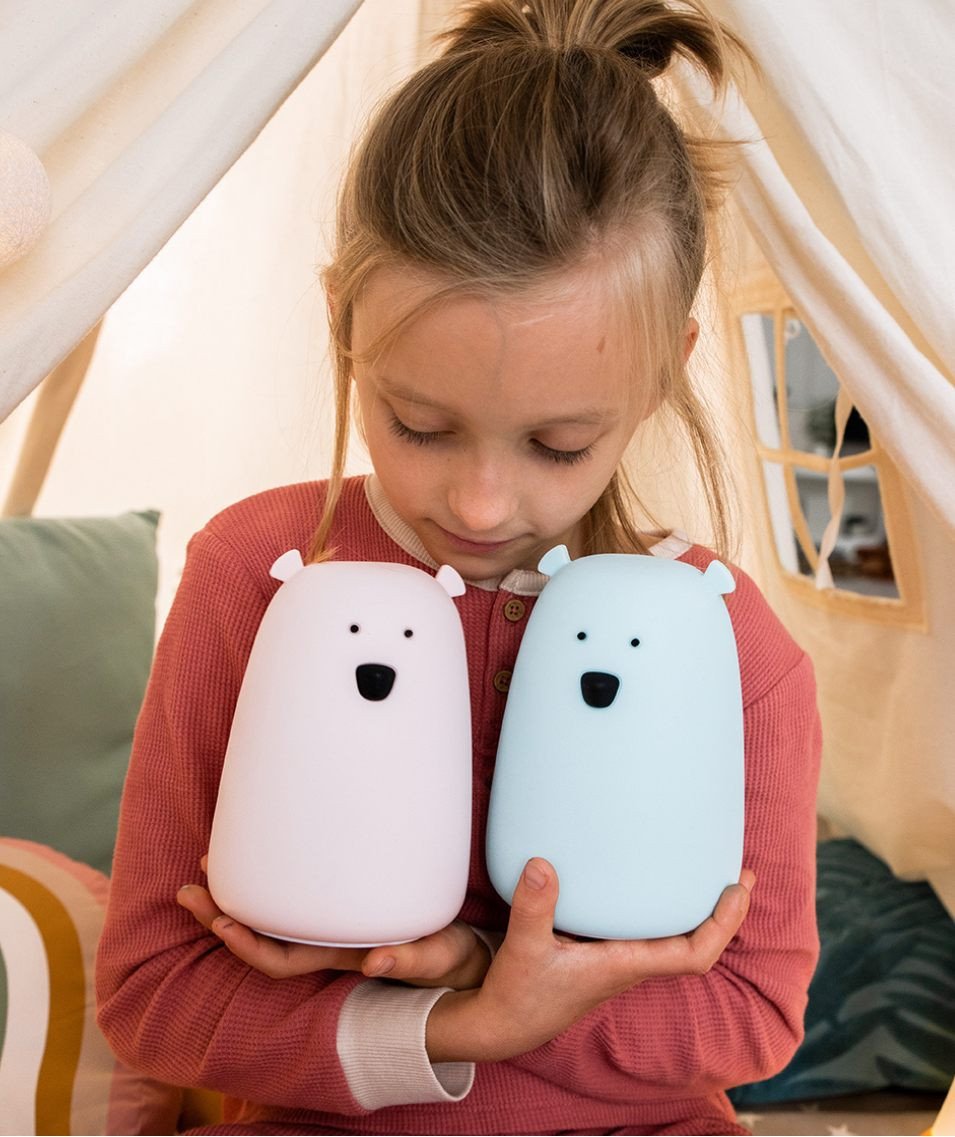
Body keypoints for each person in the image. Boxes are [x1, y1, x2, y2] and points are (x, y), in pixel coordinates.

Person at [95, 1, 822, 1133]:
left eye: (558, 444)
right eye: (418, 423)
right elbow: (152, 998)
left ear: (666, 367)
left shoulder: (729, 647)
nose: (480, 505)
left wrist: (495, 976)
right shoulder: (259, 576)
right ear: (343, 323)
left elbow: (753, 1017)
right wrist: (443, 1028)